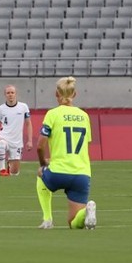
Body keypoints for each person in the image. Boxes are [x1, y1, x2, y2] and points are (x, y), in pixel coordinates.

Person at [35, 76, 96, 230]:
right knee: (74, 222)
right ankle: (87, 212)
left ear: (56, 94)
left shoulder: (53, 114)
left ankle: (47, 219)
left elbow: (40, 146)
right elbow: (86, 143)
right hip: (81, 174)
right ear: (74, 95)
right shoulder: (84, 116)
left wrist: (44, 164)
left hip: (58, 171)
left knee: (41, 174)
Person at [0, 85, 33, 176]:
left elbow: (28, 124)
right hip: (3, 137)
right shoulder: (1, 109)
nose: (10, 95)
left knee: (14, 173)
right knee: (1, 145)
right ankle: (2, 170)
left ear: (16, 94)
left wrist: (30, 141)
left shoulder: (23, 107)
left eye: (12, 92)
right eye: (8, 93)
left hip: (17, 142)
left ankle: (10, 165)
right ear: (5, 95)